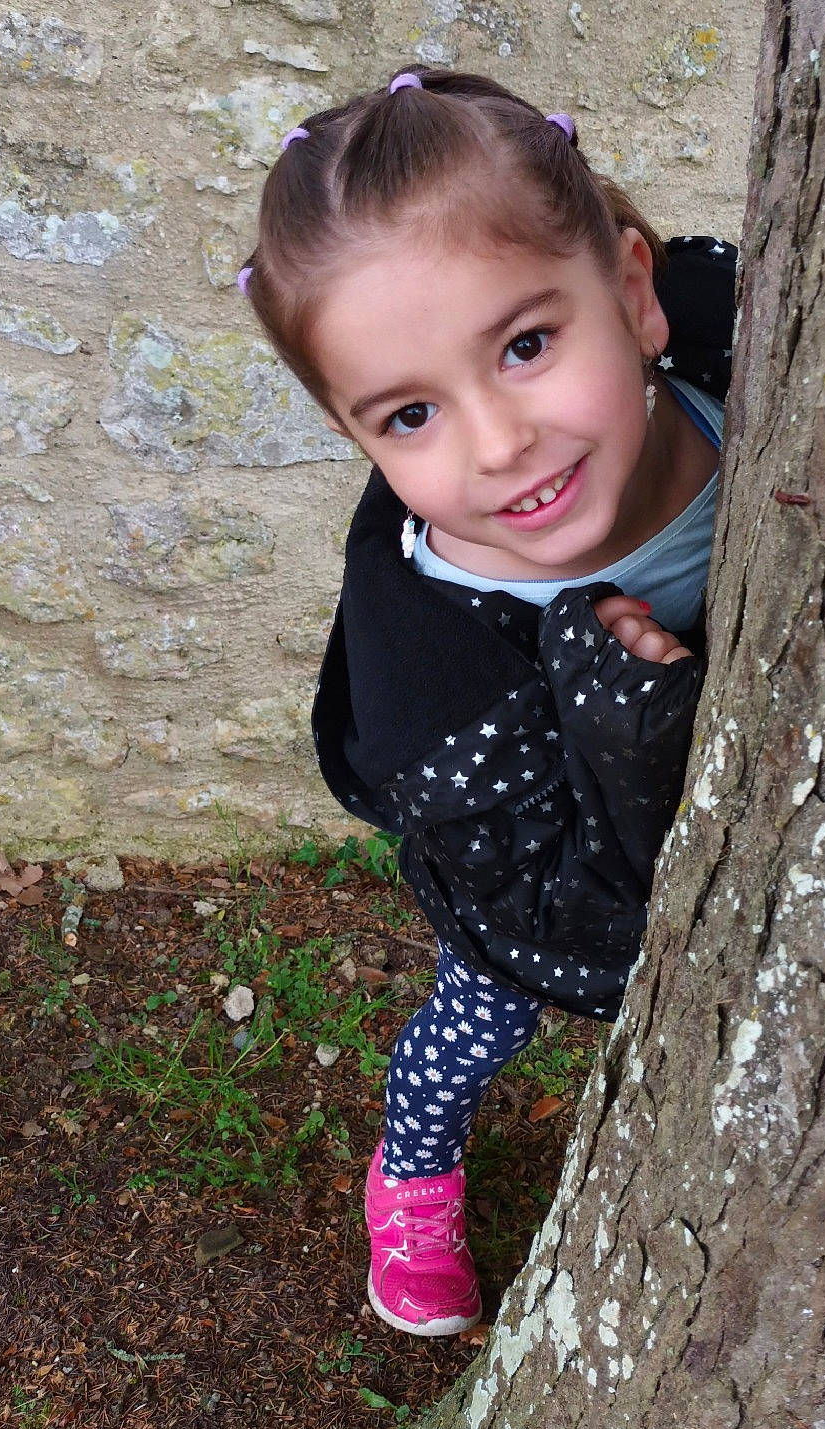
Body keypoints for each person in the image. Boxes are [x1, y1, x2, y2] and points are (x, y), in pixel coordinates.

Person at [238, 66, 736, 1337]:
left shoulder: (754, 350)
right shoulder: (435, 696)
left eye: (524, 344)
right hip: (533, 888)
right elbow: (570, 928)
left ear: (632, 293)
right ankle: (412, 1164)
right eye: (411, 413)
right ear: (363, 440)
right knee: (472, 1018)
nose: (498, 442)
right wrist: (627, 728)